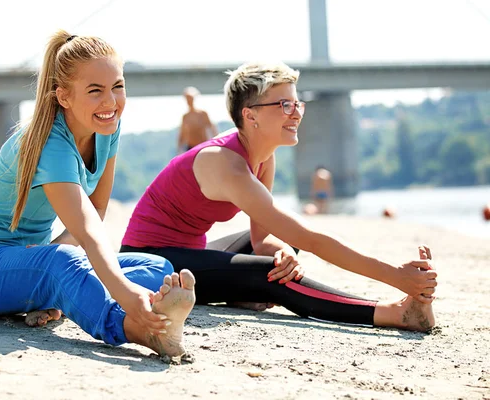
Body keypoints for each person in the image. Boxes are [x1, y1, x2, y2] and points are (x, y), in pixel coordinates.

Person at [120, 61, 437, 332]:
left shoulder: (263, 156)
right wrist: (396, 277)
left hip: (189, 254)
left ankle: (242, 290)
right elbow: (312, 238)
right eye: (284, 105)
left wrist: (284, 250)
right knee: (270, 273)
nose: (296, 113)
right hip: (152, 262)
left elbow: (262, 238)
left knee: (283, 250)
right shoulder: (226, 163)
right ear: (250, 115)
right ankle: (395, 313)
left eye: (297, 104)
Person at [0, 30, 196, 359]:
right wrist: (124, 293)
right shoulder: (49, 143)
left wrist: (57, 257)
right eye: (95, 91)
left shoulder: (107, 129)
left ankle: (57, 292)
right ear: (63, 96)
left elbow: (98, 207)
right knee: (64, 264)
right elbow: (88, 230)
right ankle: (141, 330)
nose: (110, 102)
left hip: (36, 261)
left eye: (117, 87)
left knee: (157, 266)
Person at [177, 86, 218, 154]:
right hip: (190, 148)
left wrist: (216, 142)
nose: (189, 101)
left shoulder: (202, 114)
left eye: (190, 98)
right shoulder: (185, 117)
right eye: (187, 99)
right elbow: (182, 134)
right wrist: (179, 148)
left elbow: (212, 129)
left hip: (203, 147)